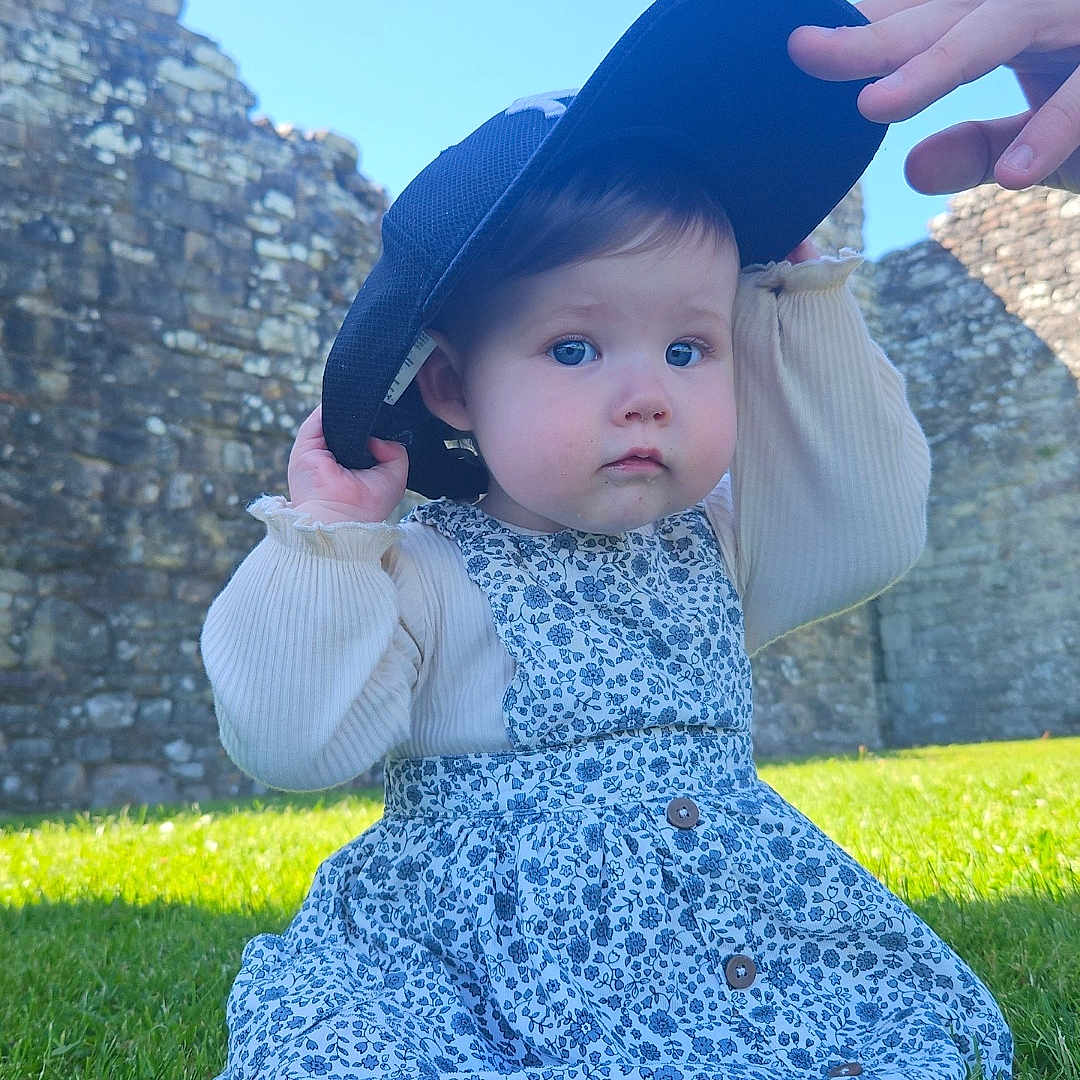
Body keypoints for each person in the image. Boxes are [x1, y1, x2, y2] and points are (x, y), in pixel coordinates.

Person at [201, 0, 1079, 1076]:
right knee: (360, 1051)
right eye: (573, 349)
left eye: (688, 346)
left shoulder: (713, 548)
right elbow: (289, 740)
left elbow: (869, 530)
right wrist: (328, 541)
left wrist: (795, 312)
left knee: (864, 1042)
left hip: (722, 936)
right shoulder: (423, 570)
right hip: (481, 967)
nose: (644, 395)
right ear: (451, 387)